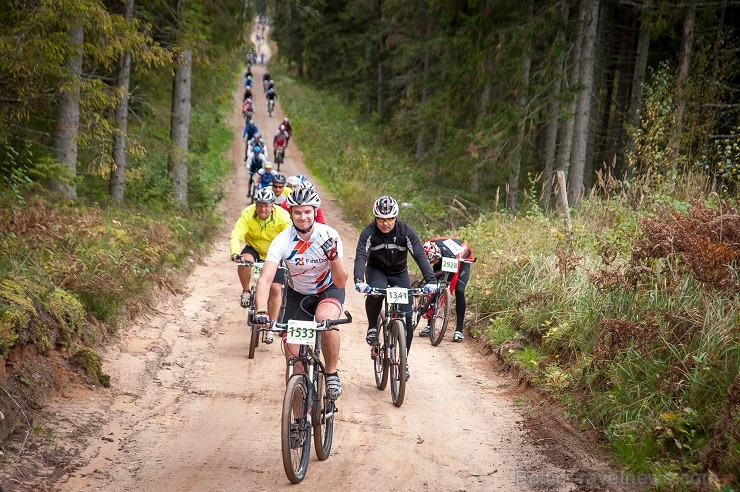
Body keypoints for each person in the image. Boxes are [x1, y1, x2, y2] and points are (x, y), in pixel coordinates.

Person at [254, 188, 348, 399]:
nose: (303, 217)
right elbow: (265, 279)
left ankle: (331, 373)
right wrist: (261, 310)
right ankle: (297, 423)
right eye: (297, 212)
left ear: (315, 212)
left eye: (307, 212)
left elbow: (341, 281)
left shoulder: (329, 235)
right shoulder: (282, 240)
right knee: (295, 365)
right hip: (298, 295)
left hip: (328, 290)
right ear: (291, 214)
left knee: (326, 320)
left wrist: (333, 258)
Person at [353, 195, 438, 380]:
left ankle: (403, 361)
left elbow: (420, 256)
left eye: (390, 219)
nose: (385, 223)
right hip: (376, 271)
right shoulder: (369, 233)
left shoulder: (405, 232)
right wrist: (359, 280)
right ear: (375, 218)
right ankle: (372, 327)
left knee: (407, 320)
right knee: (377, 291)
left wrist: (431, 281)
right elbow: (361, 256)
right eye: (382, 219)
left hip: (399, 273)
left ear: (396, 217)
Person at [230, 188, 292, 343]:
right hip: (255, 248)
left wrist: (290, 258)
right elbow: (237, 234)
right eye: (259, 205)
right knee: (244, 261)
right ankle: (245, 291)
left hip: (275, 253)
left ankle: (271, 325)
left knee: (275, 289)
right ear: (255, 204)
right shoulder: (247, 213)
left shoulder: (282, 216)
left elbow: (291, 237)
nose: (262, 208)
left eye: (266, 205)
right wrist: (235, 252)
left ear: (272, 206)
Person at [418, 237, 474, 342]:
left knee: (459, 289)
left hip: (461, 259)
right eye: (432, 261)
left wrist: (443, 298)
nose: (434, 262)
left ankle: (458, 331)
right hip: (442, 255)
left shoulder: (452, 256)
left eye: (434, 261)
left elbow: (452, 282)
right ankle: (429, 325)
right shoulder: (430, 245)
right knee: (435, 285)